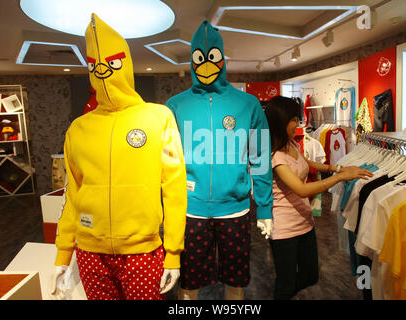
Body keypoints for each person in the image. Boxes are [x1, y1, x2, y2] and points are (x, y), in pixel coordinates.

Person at [50, 14, 187, 300]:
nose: (103, 72)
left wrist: (173, 252)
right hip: (89, 252)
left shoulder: (158, 117)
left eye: (111, 63)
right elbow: (73, 195)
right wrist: (63, 253)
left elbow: (174, 188)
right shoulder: (79, 128)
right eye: (94, 65)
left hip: (142, 250)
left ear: (124, 63)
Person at [166, 20, 273, 300]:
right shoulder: (175, 106)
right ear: (192, 60)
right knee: (188, 284)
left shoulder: (247, 104)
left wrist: (264, 208)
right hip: (190, 212)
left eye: (212, 57)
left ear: (221, 58)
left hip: (234, 210)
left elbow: (260, 158)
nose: (205, 65)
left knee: (236, 282)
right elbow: (164, 163)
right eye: (198, 58)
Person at [264, 96, 373, 300]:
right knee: (285, 286)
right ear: (280, 121)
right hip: (283, 231)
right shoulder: (274, 157)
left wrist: (338, 167)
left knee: (310, 275)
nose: (298, 124)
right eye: (293, 120)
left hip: (305, 223)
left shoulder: (291, 145)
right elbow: (302, 190)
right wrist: (340, 177)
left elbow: (309, 163)